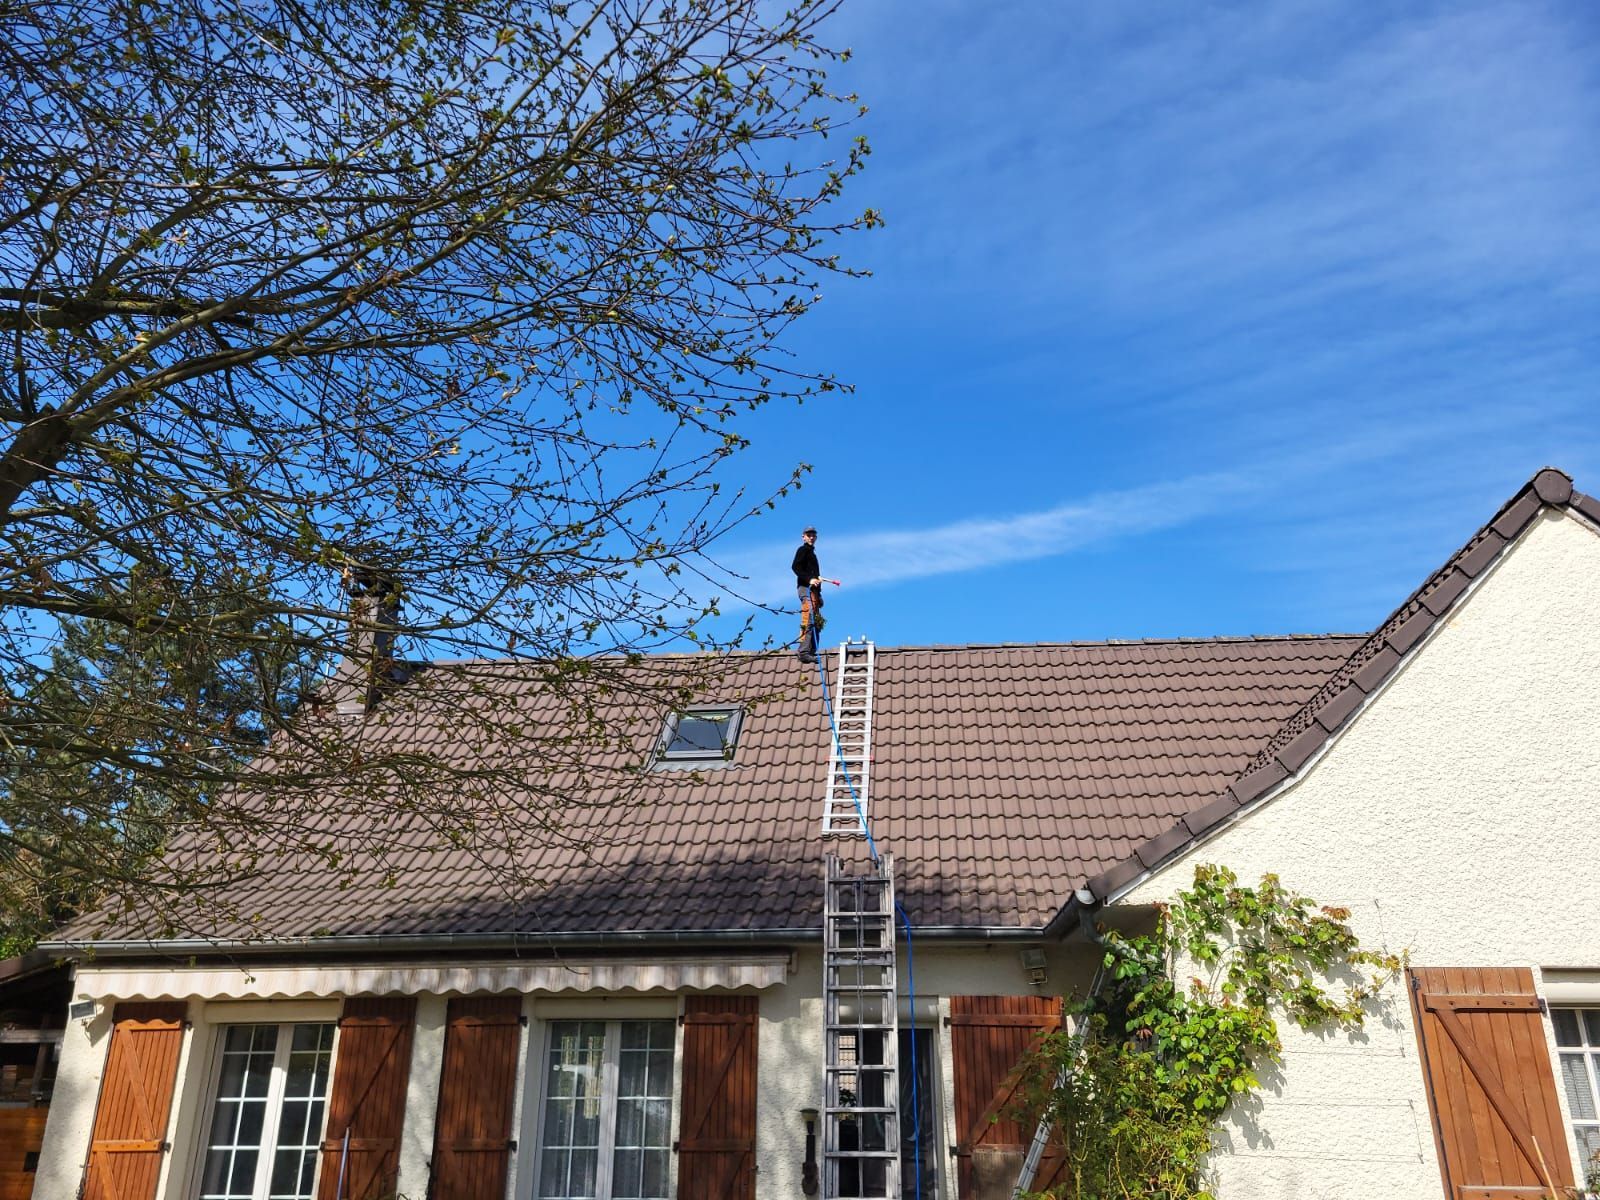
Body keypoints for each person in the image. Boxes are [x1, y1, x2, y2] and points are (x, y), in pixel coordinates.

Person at [792, 526, 823, 663]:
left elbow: (815, 576)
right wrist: (809, 579)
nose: (811, 537)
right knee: (809, 616)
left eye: (813, 535)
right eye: (808, 535)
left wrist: (819, 594)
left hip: (814, 591)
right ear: (803, 536)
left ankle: (811, 650)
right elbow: (796, 567)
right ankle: (803, 651)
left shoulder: (813, 555)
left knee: (817, 621)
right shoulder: (802, 550)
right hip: (805, 588)